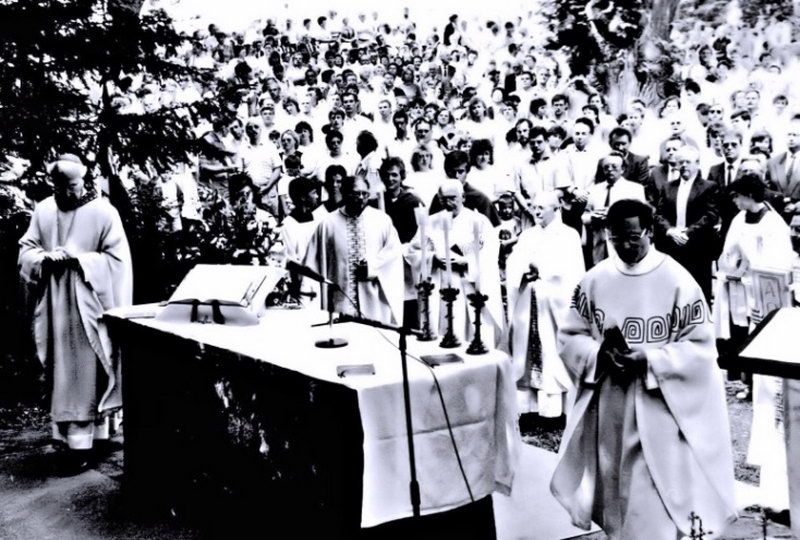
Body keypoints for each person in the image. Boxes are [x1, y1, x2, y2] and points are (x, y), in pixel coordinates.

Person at [551, 198, 736, 539]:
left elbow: (700, 347)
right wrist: (597, 355)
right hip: (610, 403)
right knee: (614, 490)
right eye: (616, 237)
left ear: (650, 232)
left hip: (658, 407)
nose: (624, 245)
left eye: (633, 237)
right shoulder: (595, 279)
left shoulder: (678, 280)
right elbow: (570, 335)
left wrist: (651, 360)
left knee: (650, 497)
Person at [18, 154, 133, 469]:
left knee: (90, 367)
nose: (67, 193)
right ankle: (71, 440)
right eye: (60, 187)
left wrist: (81, 260)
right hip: (56, 305)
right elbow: (25, 252)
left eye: (72, 186)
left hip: (90, 302)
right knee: (64, 370)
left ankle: (95, 439)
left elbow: (119, 261)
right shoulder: (43, 211)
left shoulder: (103, 212)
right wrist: (43, 259)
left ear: (84, 181)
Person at [713, 174, 795, 507]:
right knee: (761, 385)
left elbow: (778, 266)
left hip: (768, 304)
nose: (735, 203)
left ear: (750, 196)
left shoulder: (774, 225)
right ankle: (765, 457)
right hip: (740, 295)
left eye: (738, 197)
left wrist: (750, 268)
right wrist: (731, 268)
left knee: (775, 389)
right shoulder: (738, 219)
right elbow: (728, 253)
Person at [506, 191, 584, 421]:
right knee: (526, 350)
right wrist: (522, 270)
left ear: (556, 208)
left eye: (542, 207)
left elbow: (573, 272)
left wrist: (542, 270)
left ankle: (553, 407)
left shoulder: (568, 235)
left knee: (551, 350)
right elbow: (513, 262)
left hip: (553, 303)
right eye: (534, 207)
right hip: (529, 299)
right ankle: (528, 405)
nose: (537, 211)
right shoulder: (528, 235)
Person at [405, 179, 505, 346]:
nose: (448, 203)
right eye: (443, 199)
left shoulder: (479, 221)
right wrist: (432, 259)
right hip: (440, 286)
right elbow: (413, 251)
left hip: (467, 285)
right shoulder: (430, 222)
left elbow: (489, 254)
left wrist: (466, 263)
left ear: (463, 197)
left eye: (453, 198)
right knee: (443, 332)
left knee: (471, 333)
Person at [303, 173, 404, 324]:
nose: (361, 198)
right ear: (344, 193)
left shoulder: (382, 220)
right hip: (340, 301)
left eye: (365, 194)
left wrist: (371, 267)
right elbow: (311, 264)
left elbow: (394, 254)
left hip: (374, 300)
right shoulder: (328, 224)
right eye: (356, 194)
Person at [654, 145, 720, 301]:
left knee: (698, 292)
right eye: (681, 162)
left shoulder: (708, 187)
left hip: (697, 248)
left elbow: (711, 215)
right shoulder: (668, 187)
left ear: (697, 163)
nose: (683, 165)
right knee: (672, 291)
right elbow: (659, 215)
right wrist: (670, 231)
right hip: (672, 246)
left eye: (688, 162)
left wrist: (687, 232)